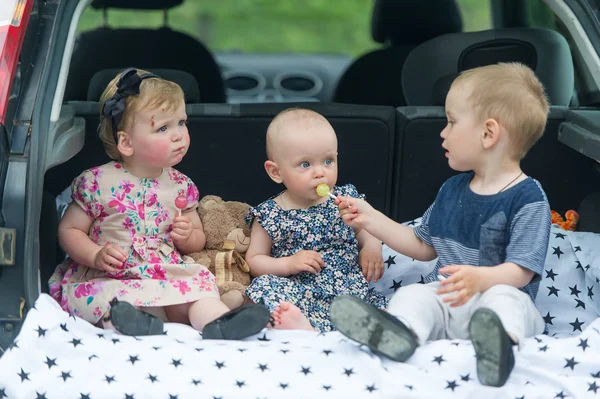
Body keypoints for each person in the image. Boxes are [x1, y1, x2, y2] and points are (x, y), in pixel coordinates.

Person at [331, 63, 550, 387]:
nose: (443, 132)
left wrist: (482, 278)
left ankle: (499, 349)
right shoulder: (452, 190)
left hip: (500, 300)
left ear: (488, 133)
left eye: (452, 122)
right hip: (449, 300)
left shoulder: (528, 198)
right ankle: (399, 333)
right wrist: (370, 218)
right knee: (416, 296)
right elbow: (422, 246)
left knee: (506, 300)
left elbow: (522, 271)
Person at [48, 68, 269, 339]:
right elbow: (69, 231)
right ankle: (133, 324)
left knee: (197, 286)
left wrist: (188, 236)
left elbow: (197, 240)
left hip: (164, 273)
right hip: (112, 275)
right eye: (163, 128)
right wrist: (95, 255)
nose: (178, 134)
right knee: (115, 301)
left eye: (181, 123)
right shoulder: (96, 182)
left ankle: (218, 322)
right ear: (127, 143)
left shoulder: (181, 185)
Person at [244, 108, 389, 332]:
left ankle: (359, 326)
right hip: (299, 291)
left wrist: (371, 246)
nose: (320, 173)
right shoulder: (271, 213)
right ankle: (302, 326)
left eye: (328, 161)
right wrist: (288, 263)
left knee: (378, 308)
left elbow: (365, 228)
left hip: (347, 290)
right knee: (263, 287)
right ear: (276, 172)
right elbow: (254, 260)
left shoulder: (345, 200)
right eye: (305, 164)